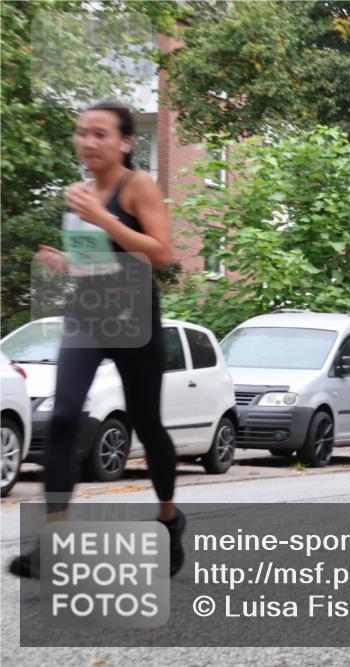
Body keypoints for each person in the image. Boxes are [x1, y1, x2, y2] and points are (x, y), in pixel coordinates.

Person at [10, 100, 184, 578]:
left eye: (101, 134)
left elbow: (162, 254)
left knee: (148, 425)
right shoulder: (77, 193)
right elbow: (97, 262)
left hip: (135, 316)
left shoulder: (138, 186)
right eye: (82, 133)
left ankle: (168, 519)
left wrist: (104, 218)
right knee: (64, 416)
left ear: (125, 142)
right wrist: (67, 264)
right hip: (88, 311)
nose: (89, 141)